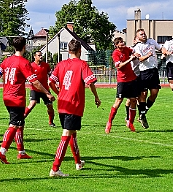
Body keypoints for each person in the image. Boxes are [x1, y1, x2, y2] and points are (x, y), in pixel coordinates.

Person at [0, 36, 55, 164]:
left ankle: (21, 152)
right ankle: (2, 152)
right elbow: (34, 82)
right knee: (13, 125)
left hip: (6, 96)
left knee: (20, 124)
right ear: (25, 47)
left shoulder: (6, 61)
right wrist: (47, 93)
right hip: (16, 98)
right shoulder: (23, 62)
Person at [48, 39, 101, 177]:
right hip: (74, 104)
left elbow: (50, 82)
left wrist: (59, 93)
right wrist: (96, 96)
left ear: (68, 51)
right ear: (80, 51)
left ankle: (78, 162)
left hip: (62, 103)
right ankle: (55, 168)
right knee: (66, 134)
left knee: (72, 133)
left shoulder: (61, 64)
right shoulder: (82, 64)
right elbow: (90, 82)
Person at [105, 37, 139, 134]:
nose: (122, 43)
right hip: (122, 80)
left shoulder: (127, 49)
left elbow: (133, 51)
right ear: (116, 45)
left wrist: (135, 54)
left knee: (133, 100)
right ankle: (109, 122)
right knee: (118, 101)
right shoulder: (115, 53)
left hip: (132, 79)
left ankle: (130, 122)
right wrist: (130, 59)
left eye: (122, 41)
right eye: (120, 42)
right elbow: (119, 66)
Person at [133, 29, 162, 129]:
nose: (144, 35)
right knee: (143, 95)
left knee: (154, 93)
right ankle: (142, 115)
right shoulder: (137, 47)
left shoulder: (152, 41)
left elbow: (161, 48)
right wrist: (148, 55)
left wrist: (167, 51)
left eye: (144, 33)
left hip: (154, 71)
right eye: (141, 34)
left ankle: (143, 112)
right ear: (137, 37)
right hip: (144, 72)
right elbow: (140, 59)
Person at [24, 51, 56, 127]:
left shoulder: (46, 65)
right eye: (39, 55)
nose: (41, 57)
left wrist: (56, 83)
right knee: (32, 104)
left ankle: (51, 122)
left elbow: (51, 75)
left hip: (45, 89)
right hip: (34, 89)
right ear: (35, 57)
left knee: (50, 106)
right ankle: (21, 119)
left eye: (41, 55)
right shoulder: (31, 66)